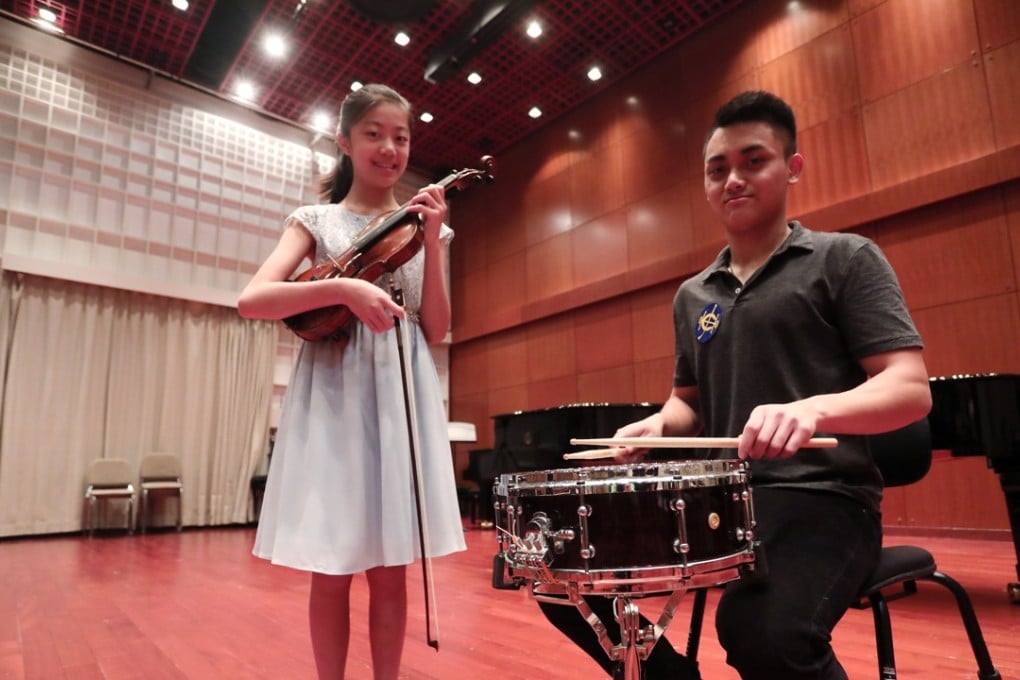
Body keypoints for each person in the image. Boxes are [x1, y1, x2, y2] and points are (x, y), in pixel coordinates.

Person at [536, 90, 932, 679]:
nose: (733, 180)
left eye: (754, 161)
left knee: (762, 633)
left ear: (792, 167)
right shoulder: (693, 295)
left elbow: (909, 387)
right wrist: (657, 423)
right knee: (560, 579)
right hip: (720, 501)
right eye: (718, 169)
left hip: (825, 498)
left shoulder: (843, 259)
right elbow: (686, 404)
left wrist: (813, 411)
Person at [238, 83, 466, 680]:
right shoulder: (316, 220)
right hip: (336, 396)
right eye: (374, 134)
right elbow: (253, 299)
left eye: (401, 137)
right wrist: (341, 287)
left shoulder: (425, 229)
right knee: (332, 565)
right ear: (345, 142)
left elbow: (436, 329)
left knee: (392, 567)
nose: (389, 148)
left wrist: (435, 245)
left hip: (401, 397)